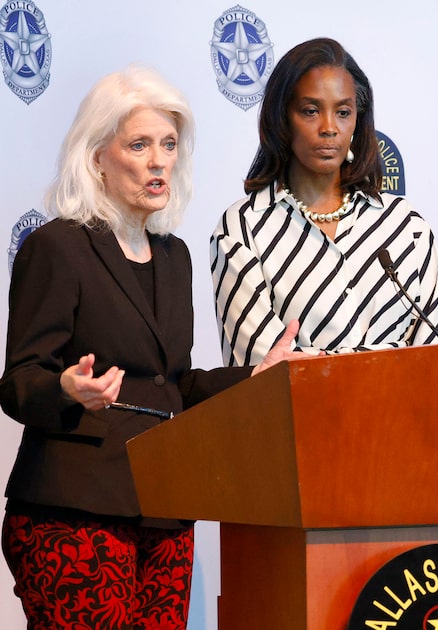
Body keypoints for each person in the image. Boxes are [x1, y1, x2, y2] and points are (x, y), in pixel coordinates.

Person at [0, 66, 306, 630]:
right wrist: (67, 388)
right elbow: (20, 381)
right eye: (139, 145)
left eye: (168, 144)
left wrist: (256, 376)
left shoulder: (173, 255)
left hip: (164, 509)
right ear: (97, 156)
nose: (158, 161)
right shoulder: (57, 247)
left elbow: (171, 383)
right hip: (75, 512)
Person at [212, 38, 438, 366]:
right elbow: (262, 369)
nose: (329, 128)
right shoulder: (243, 227)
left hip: (406, 402)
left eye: (342, 112)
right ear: (282, 119)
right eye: (311, 111)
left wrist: (317, 360)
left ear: (357, 121)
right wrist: (393, 356)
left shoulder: (406, 225)